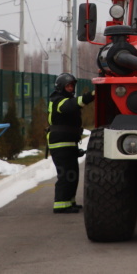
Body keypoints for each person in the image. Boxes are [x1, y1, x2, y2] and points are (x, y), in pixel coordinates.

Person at [48, 72, 94, 214]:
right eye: (68, 85)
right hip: (60, 143)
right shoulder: (58, 100)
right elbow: (70, 106)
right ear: (61, 86)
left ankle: (69, 202)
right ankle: (61, 205)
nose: (71, 88)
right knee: (66, 174)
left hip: (68, 142)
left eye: (72, 85)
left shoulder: (65, 98)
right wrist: (90, 96)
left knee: (72, 174)